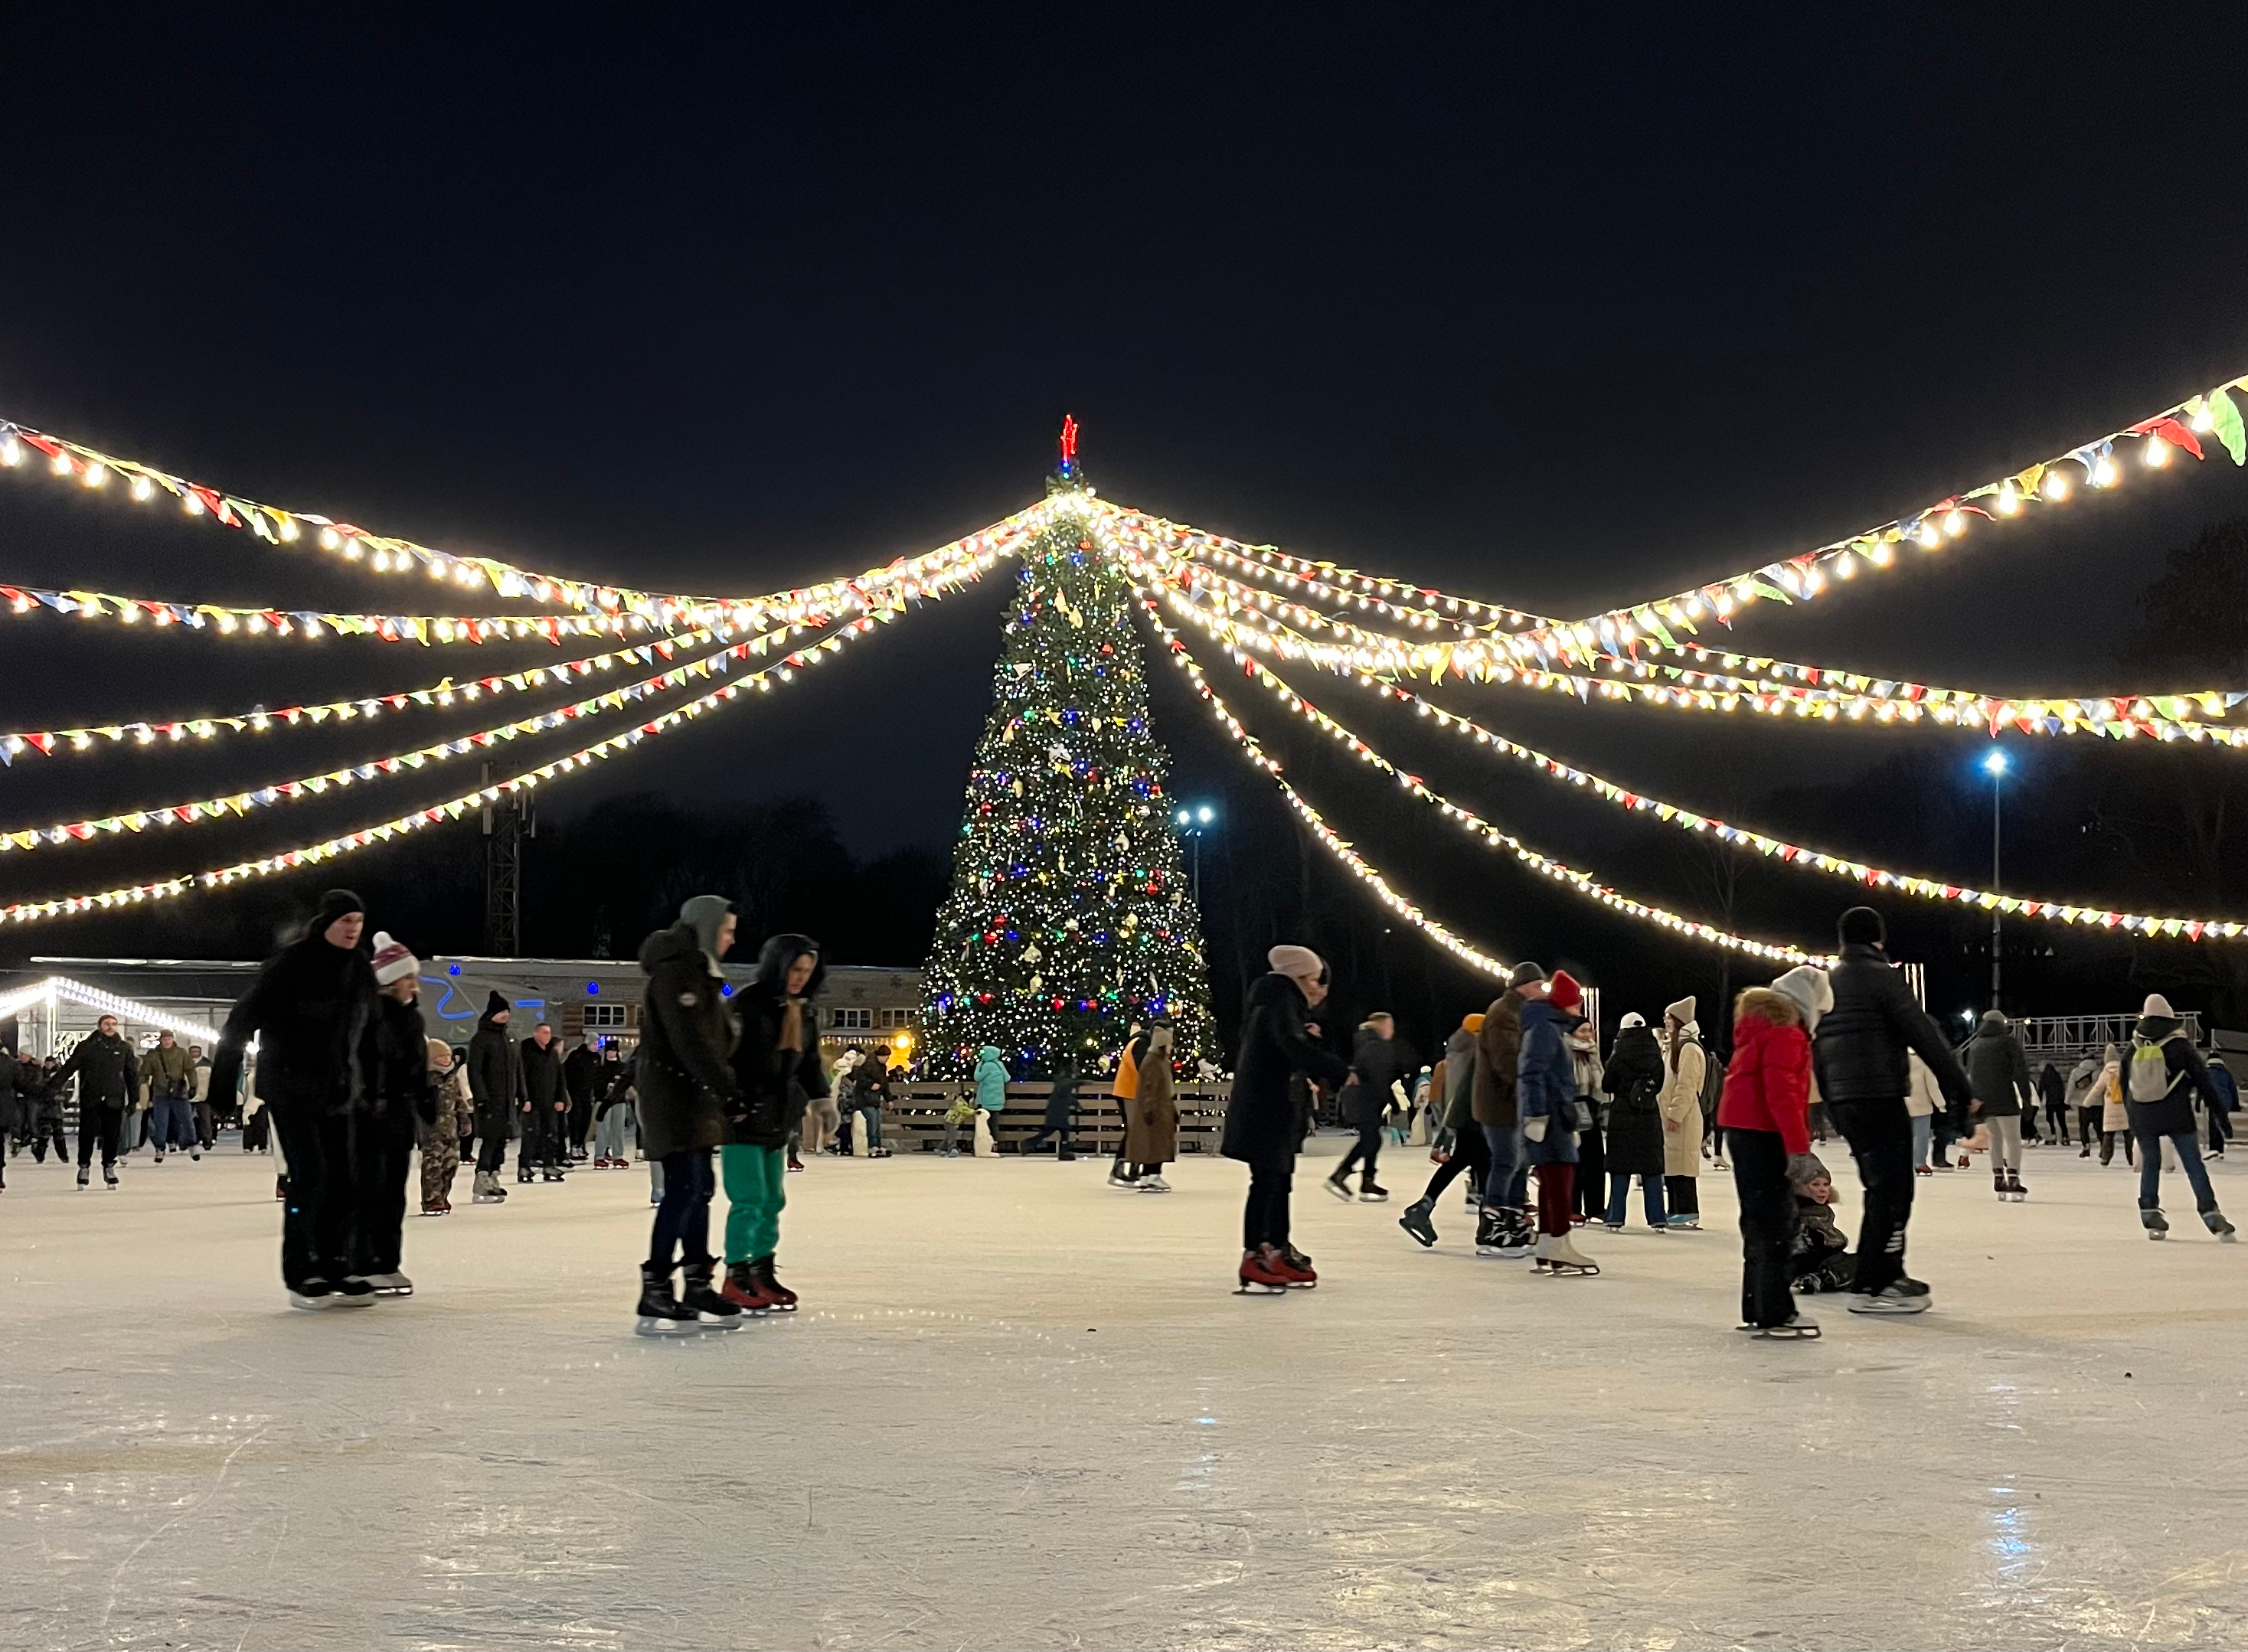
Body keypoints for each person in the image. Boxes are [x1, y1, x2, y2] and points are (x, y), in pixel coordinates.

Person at [207, 889, 381, 1309]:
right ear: (326, 924)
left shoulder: (358, 968)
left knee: (345, 1178)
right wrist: (222, 1081)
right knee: (311, 1176)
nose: (353, 931)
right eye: (345, 923)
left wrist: (377, 1085)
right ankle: (303, 1271)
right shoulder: (291, 964)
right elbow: (242, 1019)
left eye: (358, 923)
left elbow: (373, 1031)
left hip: (339, 1089)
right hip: (290, 1086)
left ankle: (339, 1264)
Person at [1811, 905, 1972, 1315]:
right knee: (1894, 1188)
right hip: (1878, 1094)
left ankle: (1876, 1274)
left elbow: (1817, 1048)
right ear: (1878, 939)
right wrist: (1959, 1087)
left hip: (1845, 1101)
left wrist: (1831, 1102)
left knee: (1881, 1186)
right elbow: (1924, 1033)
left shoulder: (1827, 984)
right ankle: (1878, 1282)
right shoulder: (1882, 976)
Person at [634, 895, 749, 1333]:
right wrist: (728, 1091)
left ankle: (697, 1282)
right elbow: (691, 1043)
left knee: (700, 1188)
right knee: (684, 1189)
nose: (732, 940)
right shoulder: (676, 973)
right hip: (673, 1097)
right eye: (727, 930)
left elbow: (713, 1040)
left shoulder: (696, 972)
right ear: (706, 928)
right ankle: (657, 1287)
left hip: (692, 1098)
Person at [1224, 945, 1351, 1293]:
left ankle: (1275, 1249)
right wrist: (1336, 1068)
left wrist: (1302, 1036)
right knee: (1267, 1182)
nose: (1315, 987)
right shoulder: (1277, 1001)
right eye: (1311, 979)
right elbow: (1288, 1048)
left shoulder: (1278, 1004)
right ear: (1296, 977)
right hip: (1266, 1109)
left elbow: (1280, 1047)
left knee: (1277, 1182)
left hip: (1272, 1107)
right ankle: (1258, 1254)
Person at [713, 932, 825, 1312]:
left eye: (807, 971)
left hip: (779, 1116)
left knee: (773, 1199)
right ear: (778, 965)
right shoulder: (748, 1004)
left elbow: (809, 1062)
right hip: (743, 1117)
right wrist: (734, 1101)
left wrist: (823, 1099)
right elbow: (725, 1057)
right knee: (749, 1198)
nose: (800, 977)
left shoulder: (804, 1010)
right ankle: (736, 1273)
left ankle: (761, 1269)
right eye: (795, 969)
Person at [1719, 966, 1828, 1337]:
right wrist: (1798, 1149)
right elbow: (1782, 1094)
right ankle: (1775, 1311)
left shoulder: (1761, 1028)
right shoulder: (1785, 1033)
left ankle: (1758, 1305)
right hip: (1764, 1133)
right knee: (1776, 1222)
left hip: (1744, 1129)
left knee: (1758, 1220)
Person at [2122, 994, 2237, 1241]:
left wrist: (2132, 1115)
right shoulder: (2180, 1046)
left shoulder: (2134, 1047)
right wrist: (2221, 1117)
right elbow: (2204, 1083)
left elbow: (2124, 1083)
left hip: (2143, 1114)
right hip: (2176, 1114)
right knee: (2193, 1164)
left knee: (2151, 1162)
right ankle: (2210, 1214)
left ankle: (2150, 1211)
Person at [358, 932, 433, 1296]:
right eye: (408, 978)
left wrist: (425, 1099)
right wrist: (370, 1099)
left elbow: (416, 1067)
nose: (414, 986)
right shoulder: (371, 1017)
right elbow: (366, 1063)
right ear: (390, 982)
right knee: (369, 1187)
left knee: (394, 1191)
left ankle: (388, 1262)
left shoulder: (412, 1020)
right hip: (371, 1114)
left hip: (400, 1114)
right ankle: (362, 1262)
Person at [1518, 970, 1597, 1276]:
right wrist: (1537, 1115)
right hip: (1551, 1115)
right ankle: (1559, 1243)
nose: (1579, 1009)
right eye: (1576, 1003)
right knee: (1559, 1179)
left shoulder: (1549, 1027)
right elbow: (1532, 1072)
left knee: (1553, 1179)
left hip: (1557, 1114)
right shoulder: (1545, 1029)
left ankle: (1550, 1245)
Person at [1473, 962, 1547, 1258]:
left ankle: (1512, 1219)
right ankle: (1490, 1228)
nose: (1541, 991)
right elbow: (1508, 1061)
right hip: (1501, 1102)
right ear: (1522, 986)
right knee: (1506, 1161)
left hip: (1514, 1101)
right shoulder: (1504, 1013)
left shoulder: (1520, 1012)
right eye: (1537, 986)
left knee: (1520, 1161)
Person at [1397, 1013, 1488, 1247]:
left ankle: (1424, 1207)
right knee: (1484, 1164)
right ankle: (1488, 1226)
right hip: (1474, 1116)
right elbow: (1460, 1092)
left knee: (1465, 1161)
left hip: (1464, 1118)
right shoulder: (1472, 1054)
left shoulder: (1456, 1054)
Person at [1328, 1011, 1413, 1203]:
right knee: (1370, 1140)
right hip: (1364, 1099)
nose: (1392, 1031)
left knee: (1372, 1140)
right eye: (1390, 1026)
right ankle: (1341, 1175)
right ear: (1381, 1026)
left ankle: (1367, 1181)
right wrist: (1392, 1101)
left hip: (1364, 1099)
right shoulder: (1376, 1047)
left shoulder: (1369, 1043)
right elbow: (1379, 1078)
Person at [1599, 1012, 1669, 1231]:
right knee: (1652, 1168)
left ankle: (1615, 1217)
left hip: (1622, 1114)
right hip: (1648, 1113)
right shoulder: (1655, 1053)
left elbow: (1607, 1085)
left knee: (1620, 1167)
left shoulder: (1618, 1054)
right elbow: (1659, 1085)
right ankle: (1657, 1218)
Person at [56, 1013, 137, 1189]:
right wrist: (53, 1086)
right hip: (91, 1098)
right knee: (87, 1135)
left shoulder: (123, 1048)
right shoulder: (87, 1047)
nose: (110, 1027)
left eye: (114, 1024)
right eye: (107, 1024)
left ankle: (109, 1166)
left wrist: (133, 1100)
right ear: (100, 1026)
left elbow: (132, 1076)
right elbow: (69, 1067)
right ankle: (84, 1166)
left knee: (112, 1136)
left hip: (114, 1099)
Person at [1963, 1009, 2034, 1202]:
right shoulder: (2009, 1043)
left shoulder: (1976, 1045)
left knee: (1994, 1139)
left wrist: (1975, 1099)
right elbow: (2020, 1072)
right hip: (2006, 1099)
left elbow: (1971, 1074)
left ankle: (1998, 1178)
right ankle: (2013, 1178)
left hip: (1984, 1101)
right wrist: (2026, 1099)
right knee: (2012, 1140)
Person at [1656, 998, 1706, 1229]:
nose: (1665, 1021)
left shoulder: (1689, 1049)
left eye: (1669, 1017)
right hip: (1670, 1115)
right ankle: (1675, 1209)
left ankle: (1688, 1210)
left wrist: (1675, 1114)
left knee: (1683, 1164)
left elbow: (1686, 1085)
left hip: (1684, 1117)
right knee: (1672, 1163)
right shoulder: (1673, 1047)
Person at [465, 996, 516, 1205]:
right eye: (501, 1012)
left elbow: (512, 1071)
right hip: (489, 1100)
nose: (505, 1015)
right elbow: (474, 1071)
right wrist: (482, 1098)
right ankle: (482, 1176)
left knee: (501, 1140)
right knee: (490, 1139)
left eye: (507, 1011)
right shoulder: (482, 1039)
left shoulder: (505, 1039)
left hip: (504, 1100)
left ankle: (494, 1174)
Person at [1124, 1022, 1179, 1191]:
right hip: (1156, 1110)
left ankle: (1148, 1175)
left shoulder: (1159, 1060)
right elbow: (1150, 1088)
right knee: (1155, 1143)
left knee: (1153, 1143)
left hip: (1159, 1109)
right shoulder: (1154, 1061)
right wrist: (1150, 1109)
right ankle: (1152, 1175)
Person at [1788, 1154, 1855, 1294]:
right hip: (1802, 1261)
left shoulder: (1822, 1211)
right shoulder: (1798, 1212)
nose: (1823, 1190)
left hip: (1817, 1259)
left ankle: (1822, 1277)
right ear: (1799, 1187)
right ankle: (1824, 1277)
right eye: (1815, 1185)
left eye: (1826, 1184)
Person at [420, 1034, 468, 1214]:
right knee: (433, 1163)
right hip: (431, 1128)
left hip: (450, 1127)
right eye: (442, 1056)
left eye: (448, 1056)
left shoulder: (452, 1077)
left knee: (451, 1163)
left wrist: (464, 1119)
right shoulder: (426, 1079)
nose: (447, 1059)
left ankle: (443, 1194)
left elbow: (458, 1100)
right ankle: (432, 1199)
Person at [516, 1021, 568, 1184]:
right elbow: (521, 1077)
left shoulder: (552, 1054)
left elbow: (560, 1077)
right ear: (536, 1034)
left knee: (550, 1134)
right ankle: (524, 1165)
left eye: (549, 1033)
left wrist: (561, 1098)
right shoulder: (526, 1053)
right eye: (545, 1032)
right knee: (531, 1134)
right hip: (532, 1102)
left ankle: (548, 1165)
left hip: (550, 1102)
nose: (548, 1036)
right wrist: (525, 1099)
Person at [138, 1030, 199, 1164]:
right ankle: (160, 1148)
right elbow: (145, 1072)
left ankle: (192, 1145)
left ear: (173, 1040)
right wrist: (139, 1084)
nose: (167, 1042)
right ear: (161, 1040)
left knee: (187, 1120)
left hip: (179, 1093)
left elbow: (190, 1069)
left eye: (169, 1039)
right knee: (161, 1123)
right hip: (161, 1094)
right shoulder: (153, 1055)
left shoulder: (181, 1053)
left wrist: (193, 1086)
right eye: (165, 1039)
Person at [1568, 1017, 1606, 1225]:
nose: (1587, 1035)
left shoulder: (1592, 1051)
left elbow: (1600, 1083)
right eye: (1583, 1031)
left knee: (1595, 1159)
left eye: (1589, 1031)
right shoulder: (1566, 1050)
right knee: (1576, 1159)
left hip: (1591, 1106)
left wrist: (1593, 1057)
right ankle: (1572, 1206)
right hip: (1572, 1106)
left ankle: (1596, 1207)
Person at [1023, 1053, 1080, 1158]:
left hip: (1058, 1110)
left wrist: (1076, 1104)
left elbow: (1066, 1095)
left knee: (1058, 1131)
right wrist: (1082, 1083)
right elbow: (1064, 1092)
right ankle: (1029, 1143)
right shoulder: (1066, 1080)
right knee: (1059, 1130)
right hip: (1058, 1110)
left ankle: (1029, 1143)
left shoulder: (1064, 1079)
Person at [593, 1050, 637, 1168]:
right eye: (609, 1051)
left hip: (619, 1100)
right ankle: (600, 1156)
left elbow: (626, 1081)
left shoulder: (622, 1066)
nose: (611, 1053)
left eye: (614, 1051)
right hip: (603, 1099)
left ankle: (618, 1155)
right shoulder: (600, 1067)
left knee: (618, 1129)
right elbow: (595, 1082)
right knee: (603, 1129)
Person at [1907, 1050, 1946, 1175]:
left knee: (1906, 1137)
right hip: (1922, 1106)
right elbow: (1932, 1086)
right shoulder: (1923, 1064)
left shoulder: (1898, 1061)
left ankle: (1906, 1164)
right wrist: (1941, 1104)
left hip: (1904, 1105)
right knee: (1921, 1137)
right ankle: (1919, 1163)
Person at [564, 1037, 600, 1163]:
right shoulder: (576, 1056)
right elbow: (567, 1072)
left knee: (585, 1120)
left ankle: (581, 1145)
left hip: (587, 1094)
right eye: (594, 1043)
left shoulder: (596, 1058)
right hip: (575, 1093)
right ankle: (575, 1145)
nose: (596, 1046)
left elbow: (596, 1076)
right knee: (576, 1119)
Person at [970, 1043, 1008, 1157]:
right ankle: (995, 1145)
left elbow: (977, 1077)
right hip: (998, 1100)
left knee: (984, 1124)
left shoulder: (987, 1066)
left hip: (987, 1100)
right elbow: (1007, 1078)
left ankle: (983, 1147)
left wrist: (978, 1066)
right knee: (995, 1124)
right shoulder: (1000, 1065)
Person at [2094, 1045, 2132, 1165]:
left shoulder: (2106, 1073)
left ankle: (2106, 1157)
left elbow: (2097, 1089)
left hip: (2111, 1107)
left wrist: (2086, 1103)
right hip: (2125, 1105)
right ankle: (2131, 1158)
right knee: (2128, 1134)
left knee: (2109, 1134)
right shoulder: (2125, 1070)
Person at [855, 1053, 894, 1158]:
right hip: (865, 1100)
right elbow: (860, 1079)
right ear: (880, 1056)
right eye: (886, 1057)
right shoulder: (868, 1065)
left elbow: (885, 1084)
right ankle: (872, 1146)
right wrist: (870, 1085)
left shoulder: (882, 1067)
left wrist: (889, 1099)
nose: (887, 1059)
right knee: (872, 1122)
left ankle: (877, 1145)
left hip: (875, 1100)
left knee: (877, 1123)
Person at [2067, 1050, 2103, 1156]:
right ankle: (2103, 1147)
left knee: (2083, 1127)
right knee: (2099, 1127)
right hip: (2098, 1103)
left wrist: (2067, 1102)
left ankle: (2086, 1147)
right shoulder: (2099, 1072)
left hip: (2083, 1103)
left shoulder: (2076, 1072)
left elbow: (2070, 1088)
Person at [2206, 1054, 2238, 1159]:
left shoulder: (2208, 1073)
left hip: (2213, 1100)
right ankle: (2220, 1147)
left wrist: (2200, 1102)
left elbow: (2203, 1087)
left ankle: (2214, 1149)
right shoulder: (2226, 1073)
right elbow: (2233, 1089)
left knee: (2213, 1125)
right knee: (2220, 1119)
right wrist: (2235, 1105)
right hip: (2226, 1100)